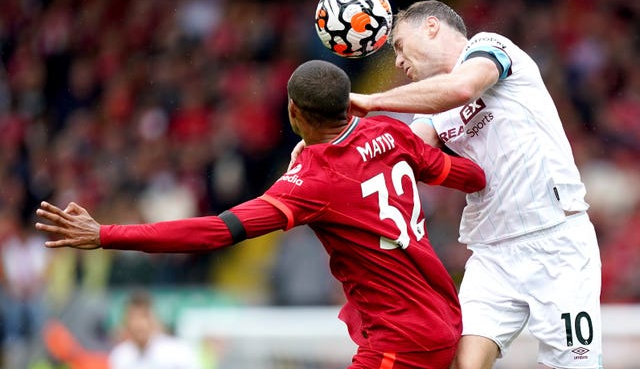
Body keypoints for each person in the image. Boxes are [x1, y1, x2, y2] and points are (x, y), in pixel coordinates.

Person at [35, 59, 486, 369]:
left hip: (400, 337)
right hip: (440, 314)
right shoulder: (390, 131)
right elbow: (467, 175)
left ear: (293, 111)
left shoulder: (313, 181)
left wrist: (107, 233)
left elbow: (216, 231)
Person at [346, 0, 603, 369]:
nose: (398, 63)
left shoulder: (491, 48)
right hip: (493, 254)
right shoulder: (433, 110)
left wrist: (372, 102)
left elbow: (464, 88)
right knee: (462, 363)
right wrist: (327, 140)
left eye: (400, 46)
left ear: (431, 26)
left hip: (557, 240)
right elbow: (396, 151)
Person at [107, 290, 200, 369]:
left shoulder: (178, 353)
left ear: (154, 319)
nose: (139, 324)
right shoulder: (120, 356)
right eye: (133, 318)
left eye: (144, 317)